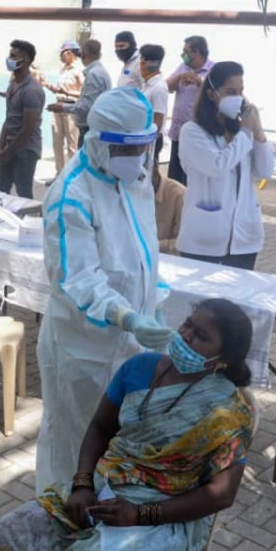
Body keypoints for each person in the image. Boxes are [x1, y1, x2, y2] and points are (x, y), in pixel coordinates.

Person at [0, 299, 255, 551]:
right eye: (187, 324)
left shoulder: (229, 411)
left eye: (200, 336)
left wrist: (141, 514)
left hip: (164, 515)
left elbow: (221, 494)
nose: (185, 336)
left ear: (224, 358)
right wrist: (82, 484)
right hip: (103, 488)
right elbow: (101, 427)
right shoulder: (141, 367)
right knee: (0, 543)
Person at [36, 87, 173, 495]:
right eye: (125, 151)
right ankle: (63, 516)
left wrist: (155, 301)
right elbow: (78, 278)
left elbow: (143, 253)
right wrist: (126, 315)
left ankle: (104, 518)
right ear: (96, 143)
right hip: (84, 348)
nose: (136, 160)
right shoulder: (70, 195)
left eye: (142, 149)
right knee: (76, 442)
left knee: (118, 443)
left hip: (129, 347)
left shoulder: (135, 182)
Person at [175, 61, 273, 271]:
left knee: (235, 301)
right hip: (203, 241)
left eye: (240, 91)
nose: (237, 97)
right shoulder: (192, 132)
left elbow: (266, 171)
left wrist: (258, 132)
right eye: (230, 92)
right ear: (212, 95)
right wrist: (246, 133)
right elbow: (217, 166)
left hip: (244, 238)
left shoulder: (241, 132)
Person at [0, 39, 45, 199]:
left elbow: (27, 129)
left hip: (26, 150)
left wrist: (8, 152)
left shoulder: (32, 90)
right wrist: (0, 146)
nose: (9, 60)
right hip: (10, 147)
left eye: (13, 56)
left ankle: (30, 223)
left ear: (26, 60)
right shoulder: (13, 85)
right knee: (0, 190)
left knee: (23, 193)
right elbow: (8, 120)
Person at [166, 35, 213, 184]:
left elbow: (217, 93)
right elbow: (167, 87)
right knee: (175, 177)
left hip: (198, 135)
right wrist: (180, 76)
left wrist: (199, 82)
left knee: (191, 179)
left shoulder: (214, 69)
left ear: (197, 52)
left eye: (186, 51)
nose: (183, 54)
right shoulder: (183, 67)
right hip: (178, 133)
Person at [48, 39, 111, 146]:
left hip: (89, 127)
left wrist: (63, 107)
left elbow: (86, 106)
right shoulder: (99, 72)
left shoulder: (94, 74)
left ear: (82, 54)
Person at [40, 40, 84, 173]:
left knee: (72, 145)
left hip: (71, 108)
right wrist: (46, 84)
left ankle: (73, 175)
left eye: (63, 53)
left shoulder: (79, 71)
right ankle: (59, 174)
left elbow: (83, 92)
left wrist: (67, 92)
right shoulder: (63, 70)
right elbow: (59, 90)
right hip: (58, 107)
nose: (61, 56)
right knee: (57, 143)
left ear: (70, 53)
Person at [138, 43, 169, 161]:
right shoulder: (147, 83)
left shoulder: (159, 87)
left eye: (142, 60)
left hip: (150, 141)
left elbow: (158, 119)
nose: (140, 64)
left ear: (152, 63)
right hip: (142, 136)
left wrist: (148, 143)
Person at [152, 165, 185, 254]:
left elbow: (182, 244)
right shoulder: (134, 191)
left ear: (155, 174)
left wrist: (153, 246)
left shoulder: (179, 196)